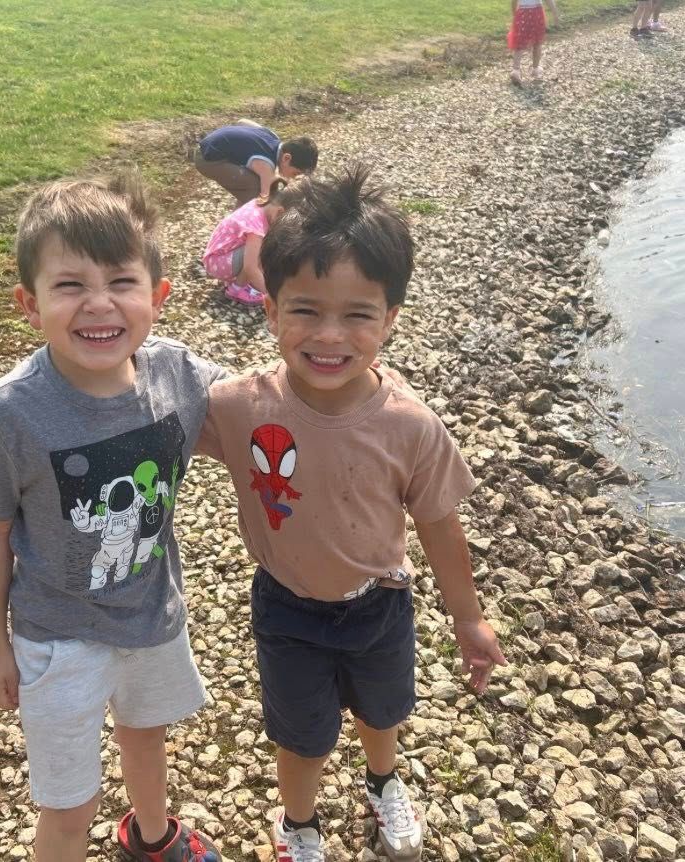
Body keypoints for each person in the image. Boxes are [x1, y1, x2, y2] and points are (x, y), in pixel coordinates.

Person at [196, 167, 507, 862]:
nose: (329, 336)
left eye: (357, 315)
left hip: (380, 604)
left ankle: (383, 779)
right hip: (286, 608)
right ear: (270, 310)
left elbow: (438, 524)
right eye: (305, 309)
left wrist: (467, 617)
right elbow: (150, 413)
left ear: (390, 319)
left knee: (383, 711)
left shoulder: (410, 426)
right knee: (301, 735)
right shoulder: (239, 405)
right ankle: (298, 825)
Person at [0, 174, 223, 862]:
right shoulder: (10, 413)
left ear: (158, 296)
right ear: (28, 305)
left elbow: (260, 408)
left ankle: (153, 838)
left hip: (152, 615)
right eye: (70, 286)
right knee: (69, 804)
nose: (99, 304)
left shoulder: (176, 375)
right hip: (57, 639)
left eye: (122, 281)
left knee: (147, 734)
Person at [202, 177, 308, 306]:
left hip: (221, 255)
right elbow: (251, 268)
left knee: (263, 248)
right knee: (264, 249)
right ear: (280, 212)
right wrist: (274, 297)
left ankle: (243, 283)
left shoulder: (260, 204)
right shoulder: (256, 226)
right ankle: (237, 289)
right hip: (218, 262)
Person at [194, 121, 318, 206]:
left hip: (210, 141)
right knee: (253, 187)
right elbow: (263, 197)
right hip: (206, 160)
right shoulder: (266, 165)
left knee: (258, 184)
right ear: (286, 158)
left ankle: (238, 217)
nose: (293, 177)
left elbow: (243, 122)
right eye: (295, 173)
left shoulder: (272, 137)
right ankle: (243, 227)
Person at [508, 0, 560, 84]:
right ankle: (535, 68)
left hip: (522, 12)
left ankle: (516, 70)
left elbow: (514, 1)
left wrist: (515, 14)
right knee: (537, 42)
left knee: (520, 42)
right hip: (537, 13)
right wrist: (555, 14)